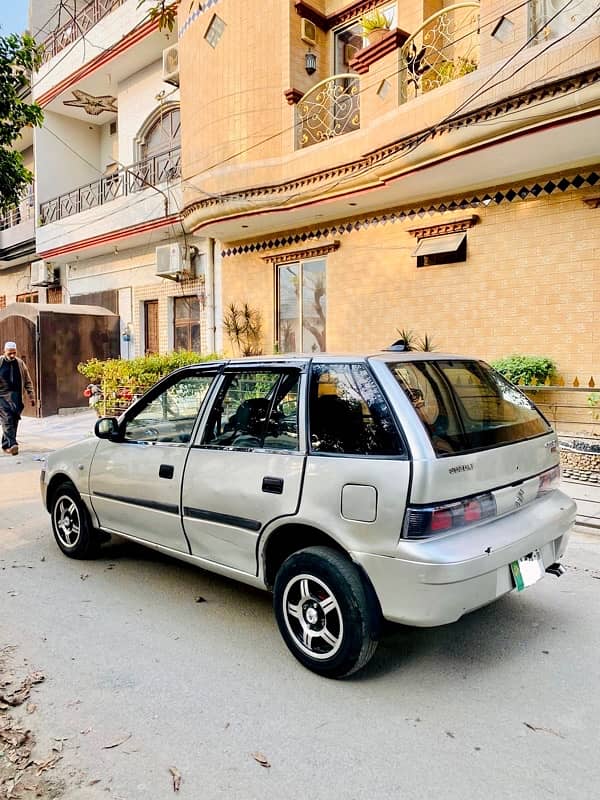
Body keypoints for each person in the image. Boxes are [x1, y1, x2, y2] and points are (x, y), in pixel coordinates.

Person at [0, 341, 36, 456]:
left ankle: (6, 445)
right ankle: (13, 444)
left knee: (14, 419)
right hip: (2, 396)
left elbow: (27, 381)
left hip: (16, 396)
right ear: (4, 351)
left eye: (14, 353)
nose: (12, 355)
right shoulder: (0, 362)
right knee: (7, 419)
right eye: (10, 353)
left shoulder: (20, 363)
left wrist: (32, 396)